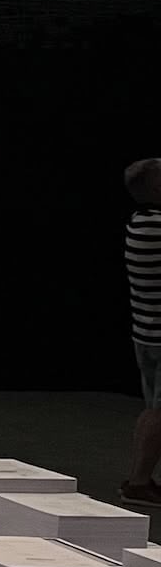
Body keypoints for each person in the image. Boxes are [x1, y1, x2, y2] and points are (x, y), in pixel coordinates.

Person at [125, 157, 161, 506]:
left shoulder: (139, 221)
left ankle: (139, 478)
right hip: (157, 335)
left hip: (146, 333)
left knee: (152, 408)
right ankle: (138, 482)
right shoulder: (156, 226)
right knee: (158, 413)